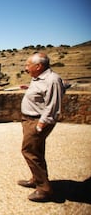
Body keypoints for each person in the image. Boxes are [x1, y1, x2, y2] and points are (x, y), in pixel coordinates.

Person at [18, 52, 66, 202]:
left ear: (38, 66)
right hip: (29, 119)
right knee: (37, 151)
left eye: (28, 65)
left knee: (28, 151)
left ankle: (44, 189)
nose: (26, 68)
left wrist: (41, 124)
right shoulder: (39, 78)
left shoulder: (52, 80)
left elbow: (53, 104)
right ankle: (36, 179)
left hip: (37, 121)